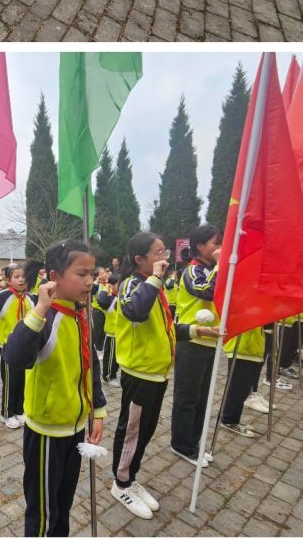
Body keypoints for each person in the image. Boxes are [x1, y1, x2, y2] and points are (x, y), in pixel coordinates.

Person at [111, 232, 221, 520]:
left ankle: (130, 477)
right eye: (158, 253)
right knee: (132, 432)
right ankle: (120, 483)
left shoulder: (153, 287)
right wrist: (156, 278)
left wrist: (198, 331)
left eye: (165, 253)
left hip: (157, 374)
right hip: (139, 373)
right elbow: (135, 311)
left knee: (145, 432)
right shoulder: (131, 285)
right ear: (139, 259)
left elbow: (168, 327)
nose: (164, 259)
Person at [4, 239, 106, 538]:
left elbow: (91, 366)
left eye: (93, 273)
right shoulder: (45, 317)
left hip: (75, 428)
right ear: (55, 276)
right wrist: (39, 309)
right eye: (82, 273)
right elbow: (14, 356)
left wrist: (97, 409)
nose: (90, 281)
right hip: (46, 432)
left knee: (63, 504)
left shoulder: (81, 314)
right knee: (43, 513)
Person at [171, 223, 221, 465]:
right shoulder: (192, 271)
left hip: (210, 341)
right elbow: (207, 291)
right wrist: (221, 266)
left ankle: (194, 443)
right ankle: (181, 445)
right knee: (187, 397)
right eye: (215, 243)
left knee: (202, 397)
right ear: (200, 247)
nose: (219, 247)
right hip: (192, 341)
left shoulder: (211, 269)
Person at [0, 264, 33, 429]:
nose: (21, 279)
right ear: (8, 280)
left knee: (23, 381)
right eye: (17, 277)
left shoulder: (30, 298)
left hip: (26, 347)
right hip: (8, 346)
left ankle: (19, 410)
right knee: (11, 381)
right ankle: (6, 413)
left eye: (23, 276)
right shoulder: (3, 296)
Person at [219, 326, 266, 437]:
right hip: (242, 347)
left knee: (243, 390)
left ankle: (233, 418)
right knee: (237, 389)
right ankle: (229, 420)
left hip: (251, 348)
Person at [97, 274, 120, 387]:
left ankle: (113, 375)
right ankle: (107, 377)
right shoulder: (109, 299)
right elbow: (100, 300)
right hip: (112, 333)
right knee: (110, 357)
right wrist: (107, 288)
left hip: (120, 333)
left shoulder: (120, 296)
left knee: (116, 358)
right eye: (118, 283)